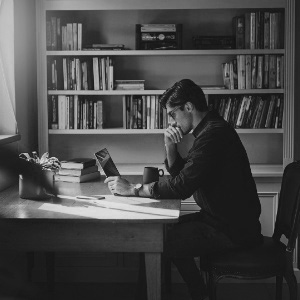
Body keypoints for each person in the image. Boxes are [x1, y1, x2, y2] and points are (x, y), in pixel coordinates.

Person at [104, 79, 263, 300]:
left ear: (188, 107)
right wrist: (170, 146)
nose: (172, 122)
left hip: (232, 229)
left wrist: (133, 188)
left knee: (158, 241)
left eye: (172, 114)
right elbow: (183, 175)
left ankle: (199, 295)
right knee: (157, 233)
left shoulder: (212, 135)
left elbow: (181, 187)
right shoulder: (208, 130)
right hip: (219, 220)